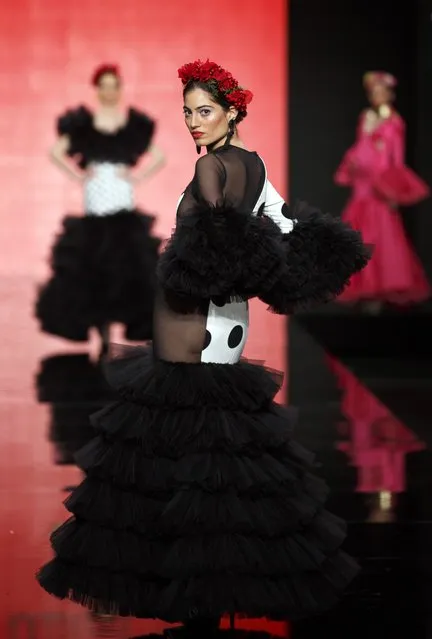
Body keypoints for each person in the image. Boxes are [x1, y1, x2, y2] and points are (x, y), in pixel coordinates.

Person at [36, 59, 371, 634]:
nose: (194, 122)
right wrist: (268, 276)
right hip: (225, 324)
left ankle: (196, 593)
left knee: (186, 454)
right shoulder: (255, 164)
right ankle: (212, 588)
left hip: (191, 322)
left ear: (232, 110)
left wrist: (216, 270)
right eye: (188, 112)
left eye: (205, 111)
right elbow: (286, 227)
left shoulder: (214, 167)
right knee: (217, 459)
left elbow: (213, 253)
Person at [35, 64, 164, 352]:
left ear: (119, 88)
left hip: (121, 198)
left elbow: (158, 156)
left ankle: (117, 327)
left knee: (124, 263)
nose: (109, 91)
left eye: (113, 85)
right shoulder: (84, 125)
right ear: (97, 89)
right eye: (104, 85)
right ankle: (102, 329)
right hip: (96, 200)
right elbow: (56, 152)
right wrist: (78, 176)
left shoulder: (131, 124)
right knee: (94, 263)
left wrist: (137, 176)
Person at [335, 71, 430, 313]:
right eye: (372, 91)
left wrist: (394, 190)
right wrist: (356, 160)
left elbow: (395, 159)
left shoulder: (395, 122)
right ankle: (362, 311)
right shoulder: (366, 117)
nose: (376, 95)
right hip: (363, 188)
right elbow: (360, 148)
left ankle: (375, 308)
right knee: (359, 239)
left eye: (380, 90)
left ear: (389, 94)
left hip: (380, 190)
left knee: (381, 244)